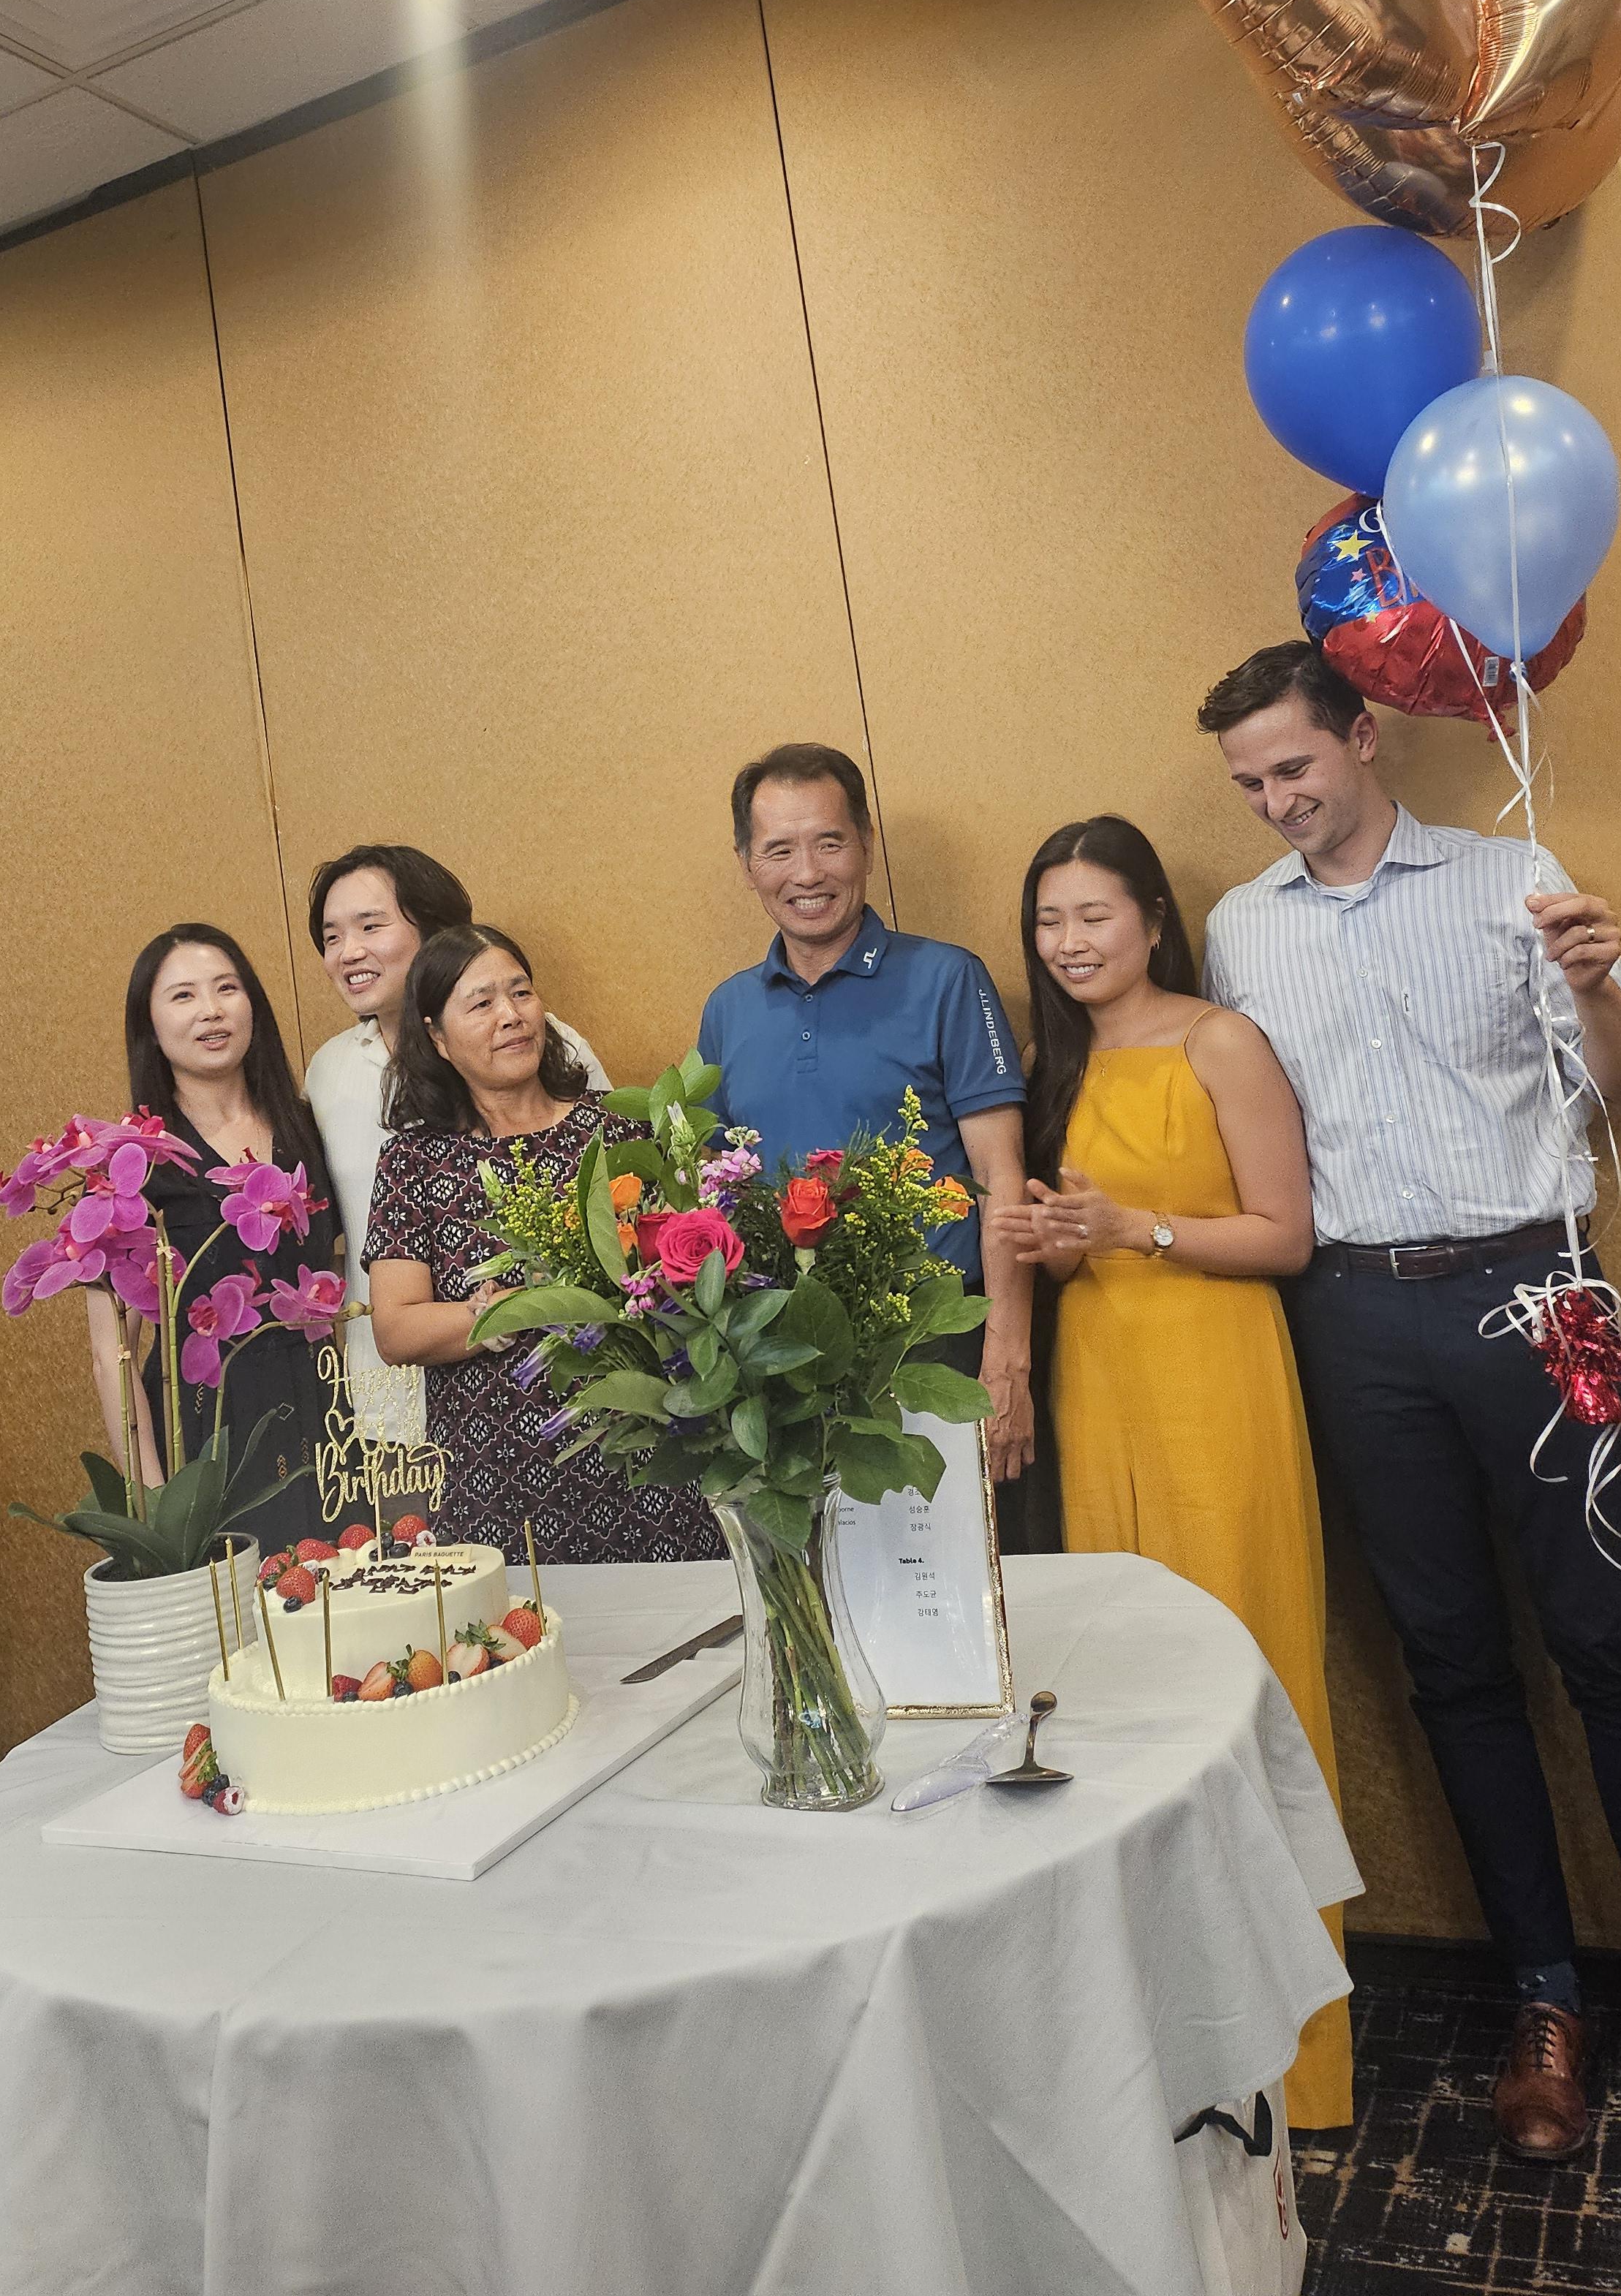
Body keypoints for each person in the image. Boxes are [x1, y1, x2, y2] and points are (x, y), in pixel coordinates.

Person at [1198, 641, 1621, 2173]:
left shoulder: (1515, 878)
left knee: (1615, 1647)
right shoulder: (1243, 929)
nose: (1278, 800)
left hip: (1544, 1295)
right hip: (1358, 1316)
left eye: (1295, 766)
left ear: (1364, 734)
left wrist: (1595, 983)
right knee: (1452, 1664)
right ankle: (1544, 1997)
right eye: (1249, 783)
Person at [992, 814, 1350, 2129]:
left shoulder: (1218, 1041)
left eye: (1094, 915)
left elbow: (1286, 1236)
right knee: (1132, 1690)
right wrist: (1058, 1241)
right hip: (1103, 1385)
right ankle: (1168, 2042)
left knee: (1248, 1671)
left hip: (1217, 1384)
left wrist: (1133, 1226)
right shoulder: (1054, 1064)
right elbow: (1081, 1246)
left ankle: (1298, 2067)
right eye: (1048, 921)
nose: (1070, 942)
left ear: (1151, 916)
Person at [695, 744, 1033, 1478]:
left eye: (829, 842)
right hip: (779, 1351)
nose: (807, 873)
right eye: (779, 850)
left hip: (931, 1338)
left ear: (867, 845)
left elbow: (1002, 1176)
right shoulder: (727, 1009)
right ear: (746, 863)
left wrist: (1008, 1355)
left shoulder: (948, 979)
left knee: (942, 1545)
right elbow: (713, 1187)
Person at [363, 925, 722, 1563]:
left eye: (521, 993)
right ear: (438, 1038)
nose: (511, 1015)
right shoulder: (412, 1162)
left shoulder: (620, 1126)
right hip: (498, 1482)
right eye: (481, 1003)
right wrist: (498, 1315)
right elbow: (395, 1330)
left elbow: (692, 1271)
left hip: (649, 1460)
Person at [304, 846, 608, 1436]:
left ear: (435, 929)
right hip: (389, 1403)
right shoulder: (328, 1071)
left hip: (563, 1397)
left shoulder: (542, 1043)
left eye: (370, 926)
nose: (348, 952)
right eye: (331, 937)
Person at [85, 925, 337, 1556]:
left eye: (227, 988)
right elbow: (113, 1353)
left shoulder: (309, 1127)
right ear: (149, 1025)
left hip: (326, 1414)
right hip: (206, 1428)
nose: (211, 1010)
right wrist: (157, 1506)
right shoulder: (132, 1163)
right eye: (183, 996)